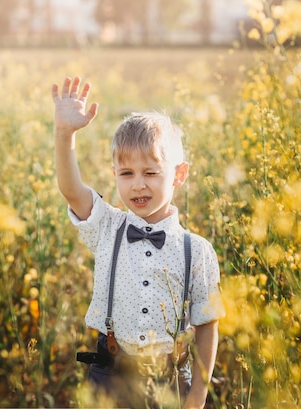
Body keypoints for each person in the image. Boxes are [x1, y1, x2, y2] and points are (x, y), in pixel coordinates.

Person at [52, 76, 223, 409]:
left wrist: (197, 399)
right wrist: (64, 134)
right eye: (126, 173)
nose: (138, 185)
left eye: (151, 172)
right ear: (114, 173)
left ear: (178, 174)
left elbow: (207, 327)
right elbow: (71, 190)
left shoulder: (197, 250)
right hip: (110, 376)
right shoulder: (108, 226)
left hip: (170, 381)